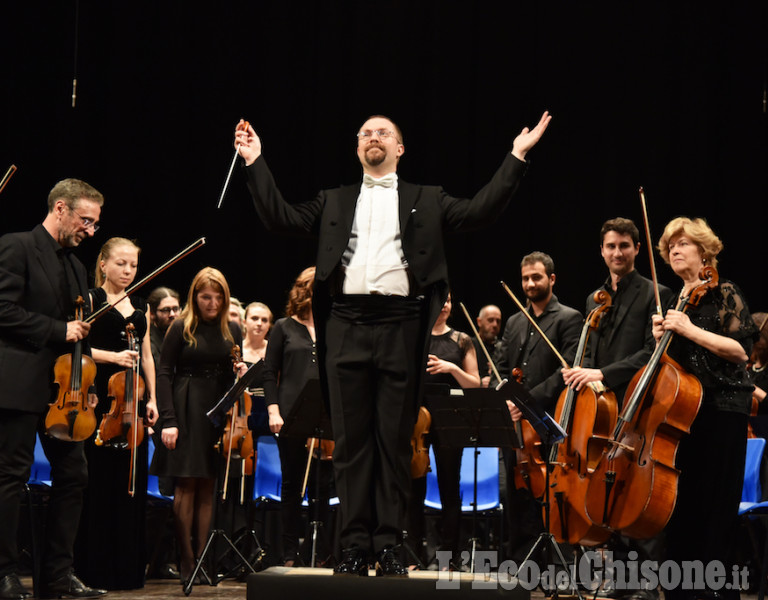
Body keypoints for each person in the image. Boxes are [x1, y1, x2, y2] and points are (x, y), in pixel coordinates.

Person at [234, 110, 551, 576]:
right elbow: (280, 217)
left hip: (402, 322)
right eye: (366, 133)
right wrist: (255, 160)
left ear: (399, 148)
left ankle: (388, 544)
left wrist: (516, 156)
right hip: (345, 322)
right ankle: (353, 545)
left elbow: (479, 211)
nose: (374, 138)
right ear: (358, 147)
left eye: (384, 132)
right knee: (351, 441)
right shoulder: (334, 200)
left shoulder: (427, 197)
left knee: (393, 441)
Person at [0, 178, 107, 600]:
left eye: (96, 224)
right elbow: (3, 309)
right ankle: (5, 572)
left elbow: (79, 332)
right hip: (20, 381)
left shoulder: (77, 266)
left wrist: (86, 380)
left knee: (74, 475)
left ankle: (58, 575)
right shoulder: (16, 246)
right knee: (10, 475)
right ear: (59, 209)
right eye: (86, 220)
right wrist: (56, 329)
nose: (91, 231)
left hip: (67, 391)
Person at [562, 217, 673, 600]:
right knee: (607, 492)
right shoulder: (595, 299)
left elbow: (651, 353)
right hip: (602, 410)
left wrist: (602, 373)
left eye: (624, 245)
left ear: (637, 249)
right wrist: (582, 373)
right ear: (602, 251)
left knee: (636, 494)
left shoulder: (656, 293)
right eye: (611, 246)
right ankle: (621, 580)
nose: (617, 253)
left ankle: (647, 583)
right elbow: (589, 351)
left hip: (638, 405)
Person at [652, 217, 756, 600]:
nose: (675, 249)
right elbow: (672, 369)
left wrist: (687, 328)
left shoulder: (724, 291)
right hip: (684, 415)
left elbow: (740, 350)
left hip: (723, 408)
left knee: (715, 510)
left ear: (704, 250)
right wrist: (659, 340)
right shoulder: (672, 300)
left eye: (683, 243)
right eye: (670, 245)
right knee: (682, 510)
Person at [150, 267, 245, 585]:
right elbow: (164, 373)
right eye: (206, 296)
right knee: (186, 485)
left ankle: (203, 557)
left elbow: (234, 373)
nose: (213, 302)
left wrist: (240, 372)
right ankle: (187, 559)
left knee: (208, 485)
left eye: (219, 297)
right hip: (186, 407)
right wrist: (169, 420)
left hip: (215, 411)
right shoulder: (180, 326)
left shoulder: (233, 329)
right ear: (195, 296)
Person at [73, 237, 158, 590]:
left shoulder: (140, 306)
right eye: (121, 264)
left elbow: (148, 356)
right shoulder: (91, 300)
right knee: (98, 483)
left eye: (133, 266)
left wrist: (153, 399)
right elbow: (75, 344)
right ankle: (94, 569)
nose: (127, 271)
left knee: (129, 486)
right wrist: (114, 357)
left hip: (131, 405)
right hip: (98, 399)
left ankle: (126, 569)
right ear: (103, 264)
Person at [492, 251, 581, 561]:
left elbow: (565, 370)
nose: (530, 283)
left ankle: (559, 562)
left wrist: (526, 402)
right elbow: (502, 368)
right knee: (517, 496)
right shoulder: (515, 320)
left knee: (555, 493)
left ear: (551, 279)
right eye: (525, 278)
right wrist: (506, 397)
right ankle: (521, 561)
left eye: (537, 277)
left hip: (549, 419)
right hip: (516, 423)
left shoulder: (569, 318)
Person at [262, 267, 333, 566]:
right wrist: (273, 410)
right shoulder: (283, 327)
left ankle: (321, 553)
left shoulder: (334, 326)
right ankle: (290, 553)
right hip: (290, 415)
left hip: (327, 415)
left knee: (325, 488)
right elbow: (269, 372)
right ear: (306, 292)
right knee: (293, 486)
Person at [408, 293, 480, 570]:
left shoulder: (462, 340)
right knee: (414, 490)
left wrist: (451, 368)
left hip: (451, 419)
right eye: (440, 300)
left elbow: (474, 383)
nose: (446, 305)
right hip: (418, 422)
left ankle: (450, 558)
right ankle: (414, 555)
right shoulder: (416, 336)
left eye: (449, 299)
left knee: (450, 488)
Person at [147, 287, 181, 367]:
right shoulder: (148, 342)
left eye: (175, 309)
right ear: (152, 314)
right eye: (166, 310)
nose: (172, 314)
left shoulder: (184, 336)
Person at [473, 305, 502, 387]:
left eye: (498, 321)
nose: (495, 325)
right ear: (479, 322)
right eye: (490, 320)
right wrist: (478, 382)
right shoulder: (469, 345)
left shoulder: (503, 348)